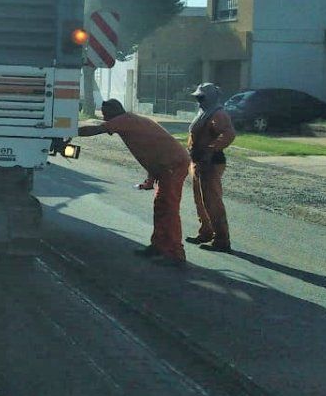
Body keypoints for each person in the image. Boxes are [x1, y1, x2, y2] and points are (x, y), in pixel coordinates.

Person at [78, 99, 191, 267]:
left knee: (169, 209)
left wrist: (69, 129)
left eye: (105, 113)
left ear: (113, 112)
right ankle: (159, 246)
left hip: (172, 165)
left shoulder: (124, 120)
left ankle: (176, 254)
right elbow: (150, 150)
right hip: (165, 165)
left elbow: (97, 130)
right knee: (160, 206)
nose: (104, 117)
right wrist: (151, 177)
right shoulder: (128, 120)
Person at [185, 83, 237, 253]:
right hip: (198, 161)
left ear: (210, 98)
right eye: (197, 98)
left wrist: (211, 149)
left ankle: (222, 239)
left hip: (211, 162)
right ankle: (206, 232)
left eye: (201, 97)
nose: (199, 101)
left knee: (212, 201)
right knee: (200, 200)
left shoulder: (218, 113)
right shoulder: (204, 112)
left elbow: (228, 134)